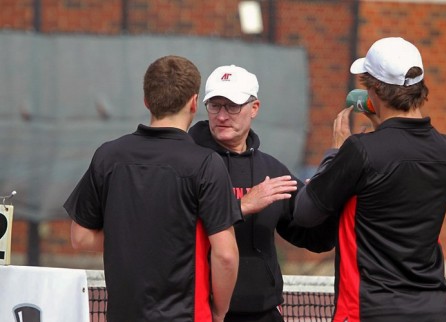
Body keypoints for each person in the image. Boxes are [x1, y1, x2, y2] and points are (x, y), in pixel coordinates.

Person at [293, 37, 446, 322]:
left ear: (376, 90)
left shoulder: (360, 150)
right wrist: (379, 124)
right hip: (431, 308)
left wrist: (336, 150)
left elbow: (305, 212)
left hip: (369, 309)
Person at [64, 55, 242, 322]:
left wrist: (135, 238)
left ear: (146, 100)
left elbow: (80, 237)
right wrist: (219, 311)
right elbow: (226, 255)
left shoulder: (108, 156)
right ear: (194, 103)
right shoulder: (206, 164)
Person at [188, 64, 336, 322]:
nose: (222, 116)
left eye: (232, 106)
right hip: (204, 312)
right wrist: (241, 206)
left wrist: (324, 202)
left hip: (264, 312)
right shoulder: (187, 162)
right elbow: (174, 225)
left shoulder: (272, 171)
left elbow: (316, 239)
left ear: (254, 108)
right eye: (215, 105)